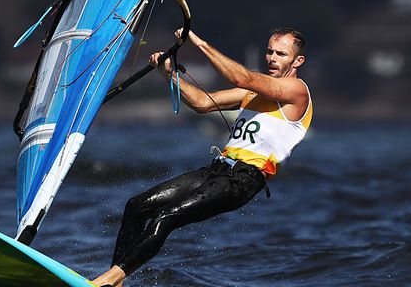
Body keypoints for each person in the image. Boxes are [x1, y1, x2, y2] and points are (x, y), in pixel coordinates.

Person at [92, 27, 313, 287]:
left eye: (281, 54)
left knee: (165, 217)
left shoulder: (296, 91)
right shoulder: (253, 94)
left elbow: (242, 77)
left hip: (243, 180)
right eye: (270, 52)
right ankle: (114, 282)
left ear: (297, 61)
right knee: (137, 205)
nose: (272, 58)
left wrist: (198, 43)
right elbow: (202, 103)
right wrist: (168, 73)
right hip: (218, 170)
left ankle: (103, 282)